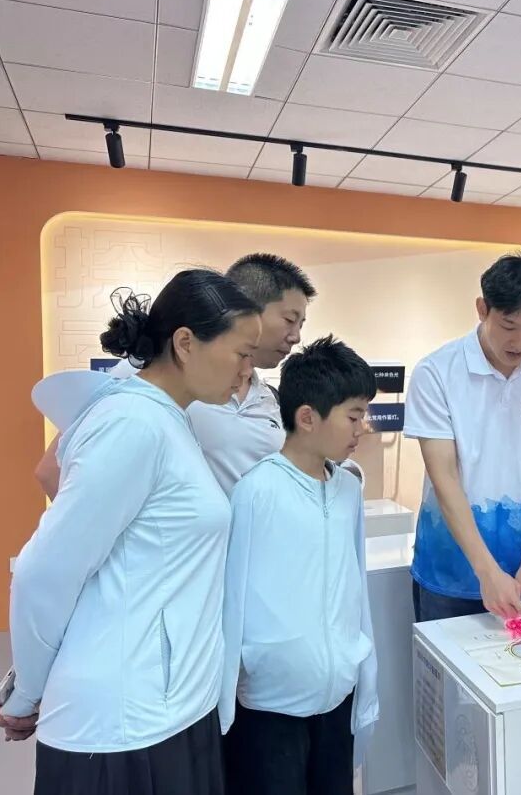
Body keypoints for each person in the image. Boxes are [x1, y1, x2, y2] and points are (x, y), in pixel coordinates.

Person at [0, 270, 262, 794]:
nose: (247, 371)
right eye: (242, 353)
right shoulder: (131, 424)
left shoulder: (169, 420)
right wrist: (27, 691)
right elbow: (45, 572)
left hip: (171, 706)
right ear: (185, 343)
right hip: (124, 725)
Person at [221, 336, 378, 795]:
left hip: (337, 696)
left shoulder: (348, 489)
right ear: (307, 417)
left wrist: (357, 661)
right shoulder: (256, 491)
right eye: (354, 416)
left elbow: (356, 586)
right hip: (270, 706)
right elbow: (231, 599)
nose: (363, 427)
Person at [34, 252, 316, 498]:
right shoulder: (147, 377)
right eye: (289, 320)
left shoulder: (269, 398)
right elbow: (53, 471)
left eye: (301, 324)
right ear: (245, 306)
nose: (296, 336)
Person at [404, 249, 521, 624]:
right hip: (450, 573)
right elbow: (445, 478)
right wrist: (486, 572)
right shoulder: (436, 372)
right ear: (482, 309)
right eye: (509, 325)